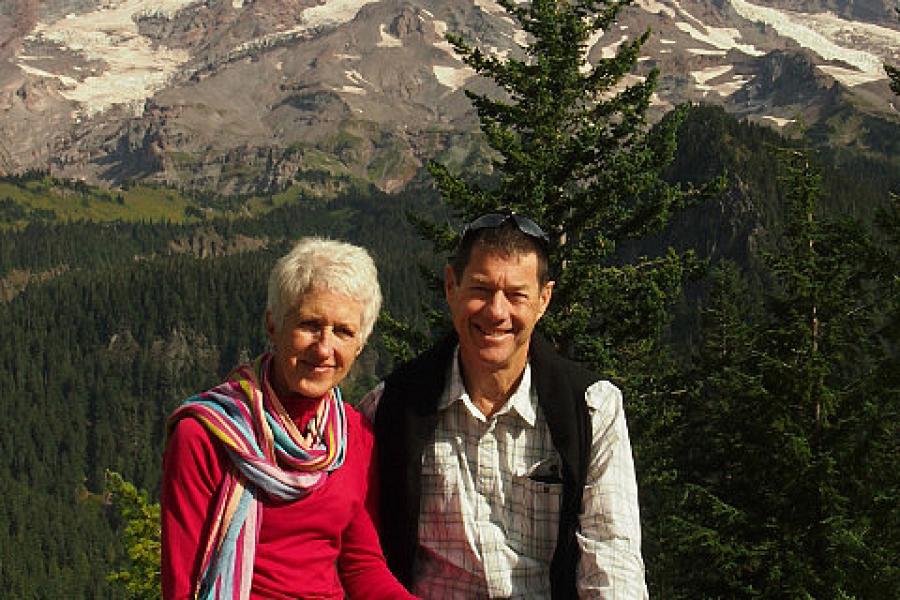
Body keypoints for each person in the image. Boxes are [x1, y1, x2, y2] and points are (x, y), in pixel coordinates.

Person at [360, 213, 649, 599]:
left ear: (543, 300)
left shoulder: (591, 409)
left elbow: (612, 559)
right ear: (451, 287)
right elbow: (357, 550)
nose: (496, 312)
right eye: (481, 289)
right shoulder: (391, 407)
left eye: (516, 295)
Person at [161, 237, 417, 599]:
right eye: (310, 325)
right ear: (273, 325)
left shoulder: (353, 434)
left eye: (343, 332)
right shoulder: (206, 437)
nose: (324, 348)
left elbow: (361, 564)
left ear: (359, 345)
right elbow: (182, 586)